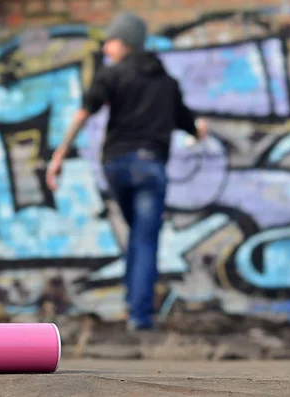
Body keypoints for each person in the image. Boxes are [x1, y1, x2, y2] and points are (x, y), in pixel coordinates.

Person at [46, 11, 208, 331]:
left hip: (118, 166)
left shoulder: (113, 75)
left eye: (111, 42)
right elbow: (191, 127)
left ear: (126, 44)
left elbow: (83, 113)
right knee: (145, 239)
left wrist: (60, 154)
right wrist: (201, 129)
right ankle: (139, 316)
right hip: (150, 168)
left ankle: (132, 307)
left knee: (137, 235)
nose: (106, 48)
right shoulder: (167, 84)